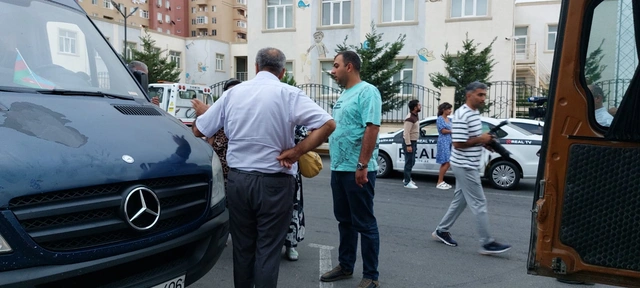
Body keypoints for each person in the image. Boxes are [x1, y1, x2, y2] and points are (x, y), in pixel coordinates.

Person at [192, 47, 336, 288]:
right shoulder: (289, 93)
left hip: (239, 181)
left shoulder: (233, 94)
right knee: (268, 251)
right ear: (282, 72)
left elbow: (199, 130)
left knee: (243, 248)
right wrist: (296, 151)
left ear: (256, 68)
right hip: (276, 183)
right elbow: (328, 124)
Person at [320, 51, 381, 288]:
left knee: (364, 223)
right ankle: (345, 266)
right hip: (339, 168)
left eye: (336, 66)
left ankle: (371, 276)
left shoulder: (368, 91)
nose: (332, 71)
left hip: (358, 169)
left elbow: (372, 128)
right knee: (344, 220)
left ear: (350, 66)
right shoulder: (344, 95)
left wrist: (362, 165)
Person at [431, 81, 511, 255]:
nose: (483, 98)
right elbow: (458, 143)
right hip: (465, 165)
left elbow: (472, 138)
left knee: (461, 201)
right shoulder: (462, 114)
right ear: (469, 95)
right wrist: (481, 140)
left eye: (484, 95)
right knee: (479, 202)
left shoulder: (474, 114)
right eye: (480, 95)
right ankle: (487, 243)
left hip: (469, 164)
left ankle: (441, 230)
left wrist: (485, 143)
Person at [192, 78, 242, 187]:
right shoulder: (217, 116)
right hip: (219, 177)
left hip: (236, 175)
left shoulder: (244, 116)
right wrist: (205, 115)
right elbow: (198, 131)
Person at [283, 125, 309, 261]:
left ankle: (290, 244)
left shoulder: (294, 108)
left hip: (291, 168)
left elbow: (303, 135)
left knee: (292, 206)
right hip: (265, 165)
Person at [402, 99, 420, 189]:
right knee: (409, 162)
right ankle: (407, 182)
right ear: (414, 107)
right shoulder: (409, 118)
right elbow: (406, 132)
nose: (420, 106)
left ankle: (407, 177)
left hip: (414, 141)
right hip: (410, 142)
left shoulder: (415, 116)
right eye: (418, 105)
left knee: (412, 161)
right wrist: (408, 145)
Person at [435, 102, 453, 190]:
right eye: (448, 109)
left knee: (447, 161)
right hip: (443, 141)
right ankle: (440, 181)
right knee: (446, 161)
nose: (450, 111)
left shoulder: (449, 120)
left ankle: (441, 181)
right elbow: (443, 131)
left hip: (449, 141)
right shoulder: (440, 119)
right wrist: (451, 131)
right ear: (443, 110)